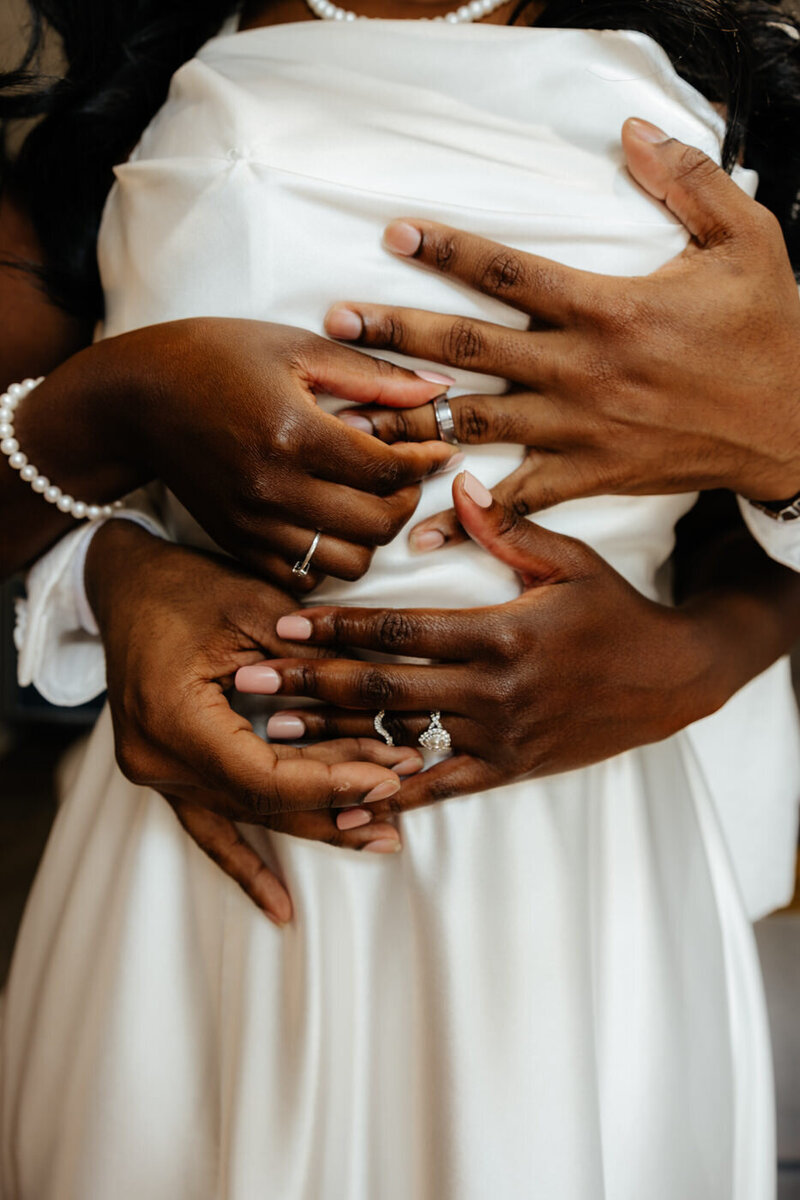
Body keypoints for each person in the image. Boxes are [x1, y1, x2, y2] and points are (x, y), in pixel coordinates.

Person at [1, 2, 800, 1198]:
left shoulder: (742, 88)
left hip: (576, 848)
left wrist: (707, 647)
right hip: (207, 848)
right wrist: (119, 457)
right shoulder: (130, 71)